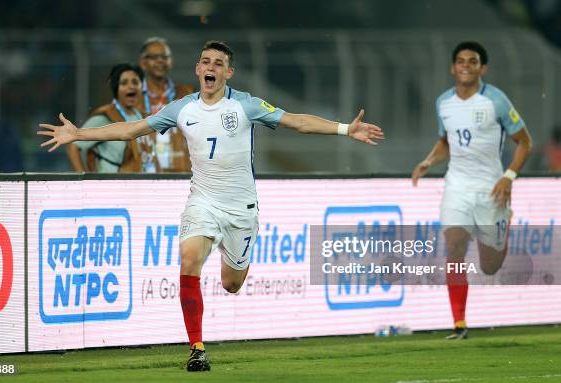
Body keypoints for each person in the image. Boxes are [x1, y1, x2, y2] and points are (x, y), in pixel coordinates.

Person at [39, 40, 384, 371]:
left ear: (228, 73)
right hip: (202, 201)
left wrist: (344, 129)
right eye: (206, 61)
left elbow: (295, 121)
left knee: (231, 284)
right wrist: (79, 134)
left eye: (218, 63)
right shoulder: (182, 108)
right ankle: (197, 349)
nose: (211, 67)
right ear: (197, 68)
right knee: (189, 260)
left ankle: (237, 261)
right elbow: (133, 129)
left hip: (240, 210)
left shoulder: (245, 105)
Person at [412, 41, 533, 340]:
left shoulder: (496, 101)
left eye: (473, 60)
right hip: (457, 185)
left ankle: (505, 222)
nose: (466, 65)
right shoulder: (443, 103)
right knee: (454, 246)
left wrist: (508, 177)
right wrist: (429, 160)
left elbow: (525, 142)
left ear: (483, 68)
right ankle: (459, 323)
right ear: (453, 68)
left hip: (491, 187)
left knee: (490, 267)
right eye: (461, 60)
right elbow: (446, 142)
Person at [66, 63, 150, 173]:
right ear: (116, 88)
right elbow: (73, 147)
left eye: (135, 82)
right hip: (110, 186)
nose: (131, 86)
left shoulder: (142, 116)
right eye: (124, 83)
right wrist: (84, 180)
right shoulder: (104, 117)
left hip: (137, 184)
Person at [138, 36, 194, 173]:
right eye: (154, 57)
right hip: (143, 174)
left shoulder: (187, 93)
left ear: (170, 62)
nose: (160, 61)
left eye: (164, 57)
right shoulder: (132, 96)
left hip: (181, 172)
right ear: (143, 62)